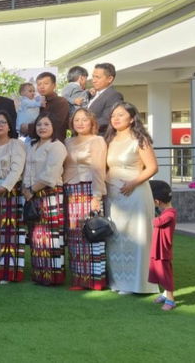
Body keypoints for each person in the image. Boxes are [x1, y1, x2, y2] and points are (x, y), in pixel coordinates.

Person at [105, 102, 158, 295]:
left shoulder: (139, 139)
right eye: (113, 115)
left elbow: (152, 167)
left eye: (120, 115)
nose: (116, 118)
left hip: (135, 194)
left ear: (132, 118)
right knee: (116, 237)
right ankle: (119, 282)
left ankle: (138, 284)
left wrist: (133, 183)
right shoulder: (109, 139)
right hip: (113, 195)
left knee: (136, 237)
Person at [63, 108, 108, 291]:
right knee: (74, 236)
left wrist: (96, 196)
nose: (80, 123)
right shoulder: (67, 141)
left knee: (91, 234)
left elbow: (98, 168)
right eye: (77, 120)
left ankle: (95, 280)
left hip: (88, 189)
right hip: (70, 191)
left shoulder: (97, 140)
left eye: (84, 120)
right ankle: (79, 279)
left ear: (92, 122)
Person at [22, 113, 67, 286]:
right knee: (36, 236)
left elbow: (51, 173)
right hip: (31, 195)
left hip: (49, 193)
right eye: (39, 124)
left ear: (54, 127)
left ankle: (52, 276)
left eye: (46, 124)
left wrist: (31, 190)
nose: (42, 128)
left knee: (51, 236)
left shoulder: (57, 146)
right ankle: (39, 274)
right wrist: (25, 190)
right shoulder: (32, 146)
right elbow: (26, 170)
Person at [0, 111, 26, 283]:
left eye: (2, 122)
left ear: (9, 126)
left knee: (9, 232)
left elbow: (17, 169)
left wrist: (3, 187)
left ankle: (7, 273)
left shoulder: (17, 145)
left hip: (10, 192)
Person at [148, 180, 176, 311]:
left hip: (163, 251)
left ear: (157, 202)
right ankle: (166, 295)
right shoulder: (166, 212)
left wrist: (149, 215)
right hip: (158, 250)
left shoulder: (170, 214)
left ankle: (170, 300)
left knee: (166, 276)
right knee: (160, 273)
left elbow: (157, 222)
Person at [29, 72, 69, 142]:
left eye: (46, 83)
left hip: (54, 143)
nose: (42, 87)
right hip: (37, 143)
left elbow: (55, 124)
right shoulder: (36, 102)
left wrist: (28, 127)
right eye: (39, 84)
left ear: (54, 85)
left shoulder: (61, 102)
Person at [88, 63, 124, 135]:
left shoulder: (114, 95)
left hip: (100, 139)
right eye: (93, 77)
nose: (93, 80)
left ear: (110, 79)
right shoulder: (92, 94)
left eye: (97, 77)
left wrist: (85, 125)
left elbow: (106, 119)